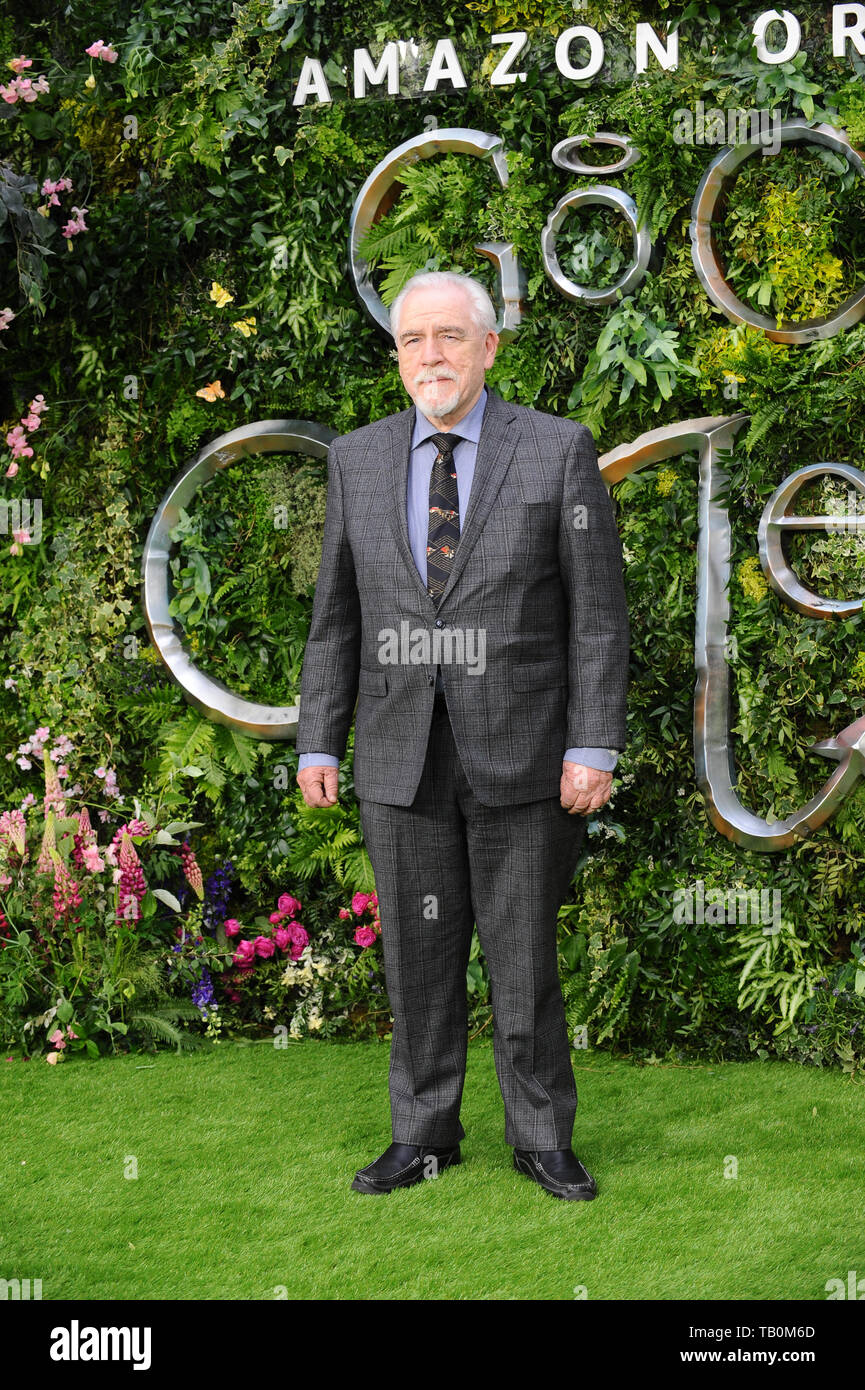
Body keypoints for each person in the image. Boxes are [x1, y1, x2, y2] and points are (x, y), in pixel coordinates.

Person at [296, 270, 629, 1200]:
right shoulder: (355, 460)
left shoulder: (557, 450)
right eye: (412, 340)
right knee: (415, 956)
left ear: (488, 348)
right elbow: (336, 617)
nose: (429, 355)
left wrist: (591, 744)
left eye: (448, 336)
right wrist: (320, 741)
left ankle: (541, 1138)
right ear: (397, 356)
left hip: (525, 753)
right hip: (399, 753)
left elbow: (598, 616)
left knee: (523, 958)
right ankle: (423, 1134)